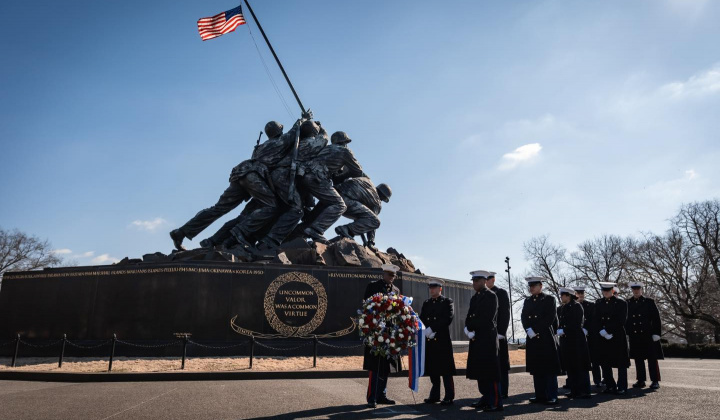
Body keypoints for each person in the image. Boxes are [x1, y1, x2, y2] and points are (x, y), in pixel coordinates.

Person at [169, 120, 300, 251]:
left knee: (218, 208)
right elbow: (295, 131)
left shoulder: (261, 146)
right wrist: (303, 119)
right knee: (271, 207)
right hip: (254, 176)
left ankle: (181, 232)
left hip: (241, 173)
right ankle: (239, 233)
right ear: (280, 130)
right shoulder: (281, 141)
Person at [363, 263, 401, 408]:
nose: (392, 278)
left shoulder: (396, 290)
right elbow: (366, 305)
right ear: (384, 274)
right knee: (375, 365)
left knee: (385, 365)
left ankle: (382, 395)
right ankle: (371, 397)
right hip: (376, 331)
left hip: (390, 332)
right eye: (390, 275)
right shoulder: (373, 286)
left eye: (394, 276)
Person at [465, 270, 503, 412]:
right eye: (473, 281)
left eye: (477, 281)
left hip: (487, 339)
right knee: (481, 371)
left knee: (490, 372)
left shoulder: (491, 296)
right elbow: (469, 316)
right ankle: (486, 398)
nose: (474, 283)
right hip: (476, 339)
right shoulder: (475, 298)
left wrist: (473, 329)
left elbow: (487, 318)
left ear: (484, 281)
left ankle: (495, 401)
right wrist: (467, 329)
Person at [521, 276, 562, 405]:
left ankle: (552, 395)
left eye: (534, 285)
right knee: (537, 368)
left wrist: (535, 329)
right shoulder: (528, 301)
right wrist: (528, 329)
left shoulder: (549, 299)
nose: (531, 288)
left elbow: (549, 318)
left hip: (545, 337)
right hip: (532, 338)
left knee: (549, 368)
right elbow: (523, 316)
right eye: (530, 286)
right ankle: (540, 395)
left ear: (541, 286)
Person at [420, 279, 456, 405]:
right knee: (433, 370)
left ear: (440, 288)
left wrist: (433, 328)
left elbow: (447, 318)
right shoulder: (427, 303)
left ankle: (449, 395)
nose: (431, 290)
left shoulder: (447, 302)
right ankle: (434, 395)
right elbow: (422, 318)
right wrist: (425, 330)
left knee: (446, 370)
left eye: (434, 287)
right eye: (430, 287)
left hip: (442, 340)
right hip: (430, 340)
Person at [594, 281, 630, 395]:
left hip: (617, 335)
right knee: (605, 363)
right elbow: (595, 318)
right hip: (603, 336)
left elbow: (621, 320)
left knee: (621, 363)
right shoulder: (598, 303)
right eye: (603, 291)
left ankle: (622, 386)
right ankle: (610, 385)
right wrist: (601, 331)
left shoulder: (621, 303)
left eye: (607, 291)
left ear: (612, 291)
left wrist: (608, 330)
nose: (605, 293)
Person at [626, 282, 663, 390]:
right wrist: (628, 333)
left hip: (648, 335)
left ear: (641, 289)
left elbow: (656, 319)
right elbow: (627, 320)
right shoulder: (628, 302)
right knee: (638, 359)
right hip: (635, 335)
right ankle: (641, 380)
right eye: (634, 289)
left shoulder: (649, 302)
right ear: (632, 290)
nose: (636, 291)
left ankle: (655, 380)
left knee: (652, 359)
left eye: (638, 289)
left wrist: (656, 333)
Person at [557, 287, 592, 399]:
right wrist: (559, 329)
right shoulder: (563, 308)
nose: (561, 297)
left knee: (580, 366)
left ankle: (585, 391)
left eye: (562, 295)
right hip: (567, 341)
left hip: (576, 341)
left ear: (568, 295)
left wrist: (564, 330)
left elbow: (576, 324)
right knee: (570, 366)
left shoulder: (577, 306)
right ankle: (574, 390)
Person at [486, 271, 511, 398]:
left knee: (501, 364)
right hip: (488, 336)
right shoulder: (484, 295)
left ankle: (503, 391)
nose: (486, 282)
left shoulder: (500, 293)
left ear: (493, 279)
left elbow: (505, 313)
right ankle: (491, 392)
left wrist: (501, 332)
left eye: (488, 279)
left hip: (498, 334)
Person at [574, 286, 602, 386]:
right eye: (578, 293)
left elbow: (594, 320)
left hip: (590, 337)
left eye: (582, 293)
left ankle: (597, 381)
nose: (580, 295)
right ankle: (579, 382)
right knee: (579, 361)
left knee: (595, 361)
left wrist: (587, 329)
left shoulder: (591, 305)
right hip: (577, 337)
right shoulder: (572, 305)